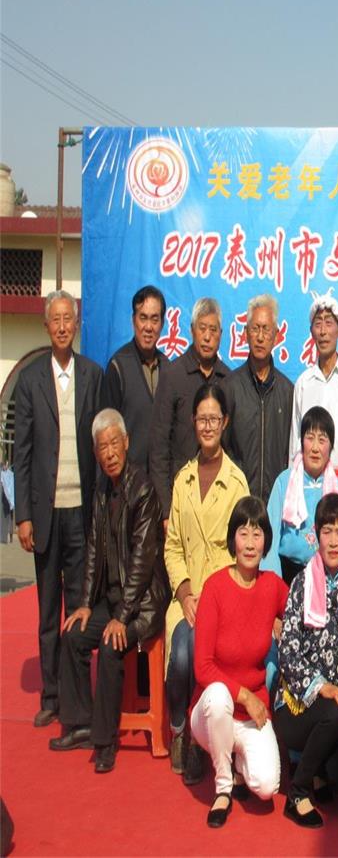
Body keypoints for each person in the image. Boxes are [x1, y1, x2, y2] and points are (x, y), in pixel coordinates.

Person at [50, 409, 169, 772]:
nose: (110, 453)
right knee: (74, 633)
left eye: (114, 443)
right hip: (113, 600)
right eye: (103, 447)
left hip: (143, 604)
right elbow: (92, 550)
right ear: (96, 452)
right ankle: (81, 724)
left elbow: (142, 563)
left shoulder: (143, 489)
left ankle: (105, 741)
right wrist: (86, 603)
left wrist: (122, 616)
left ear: (126, 443)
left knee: (110, 642)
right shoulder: (101, 490)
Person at [13, 290, 103, 727]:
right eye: (56, 319)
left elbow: (101, 446)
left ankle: (74, 695)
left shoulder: (92, 375)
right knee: (48, 610)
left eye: (69, 319)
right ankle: (50, 696)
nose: (63, 326)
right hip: (46, 512)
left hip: (82, 513)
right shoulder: (30, 380)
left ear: (76, 324)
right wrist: (23, 516)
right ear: (47, 325)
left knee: (77, 607)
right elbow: (23, 453)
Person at [164, 383, 250, 784]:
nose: (208, 426)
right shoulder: (182, 479)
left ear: (225, 422)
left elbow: (243, 549)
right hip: (186, 594)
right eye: (202, 419)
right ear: (193, 422)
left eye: (215, 418)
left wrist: (211, 597)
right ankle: (180, 730)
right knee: (181, 654)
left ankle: (201, 739)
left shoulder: (236, 481)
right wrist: (184, 593)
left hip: (221, 596)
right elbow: (172, 547)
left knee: (193, 651)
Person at [190, 497, 288, 828]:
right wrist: (245, 696)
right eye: (243, 533)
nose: (249, 543)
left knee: (267, 786)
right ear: (233, 539)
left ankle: (239, 765)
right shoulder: (215, 587)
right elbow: (203, 668)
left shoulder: (272, 586)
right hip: (212, 711)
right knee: (219, 695)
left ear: (266, 542)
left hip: (250, 713)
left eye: (257, 534)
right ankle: (223, 786)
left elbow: (303, 609)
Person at [273, 493, 338, 827]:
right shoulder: (302, 583)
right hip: (297, 704)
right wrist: (321, 686)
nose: (334, 541)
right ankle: (297, 792)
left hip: (336, 706)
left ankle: (322, 769)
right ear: (316, 535)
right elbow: (288, 652)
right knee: (334, 711)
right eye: (327, 531)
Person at [149, 297, 229, 520]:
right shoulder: (173, 375)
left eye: (213, 330)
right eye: (202, 328)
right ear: (192, 330)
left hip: (218, 500)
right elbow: (158, 448)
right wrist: (166, 510)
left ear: (221, 334)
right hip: (179, 498)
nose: (207, 336)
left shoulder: (227, 380)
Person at [289, 288, 338, 481]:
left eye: (329, 323)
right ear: (311, 332)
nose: (323, 331)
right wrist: (293, 483)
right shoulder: (303, 383)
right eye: (318, 324)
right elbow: (295, 443)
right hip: (307, 483)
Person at [222, 294, 293, 503]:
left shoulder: (288, 391)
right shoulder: (230, 387)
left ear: (276, 335)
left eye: (266, 329)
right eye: (255, 329)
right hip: (237, 500)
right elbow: (222, 447)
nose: (260, 337)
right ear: (246, 333)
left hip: (276, 502)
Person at [263, 406, 338, 585]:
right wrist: (273, 583)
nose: (315, 448)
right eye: (310, 438)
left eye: (322, 440)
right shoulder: (284, 482)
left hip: (325, 577)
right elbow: (270, 537)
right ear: (301, 442)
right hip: (286, 574)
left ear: (331, 446)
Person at [102, 285, 170, 473]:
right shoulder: (118, 366)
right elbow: (107, 431)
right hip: (127, 481)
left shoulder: (168, 368)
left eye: (154, 319)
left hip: (161, 479)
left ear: (162, 324)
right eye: (143, 318)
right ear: (133, 321)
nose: (148, 327)